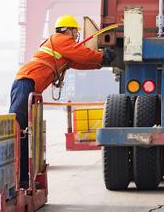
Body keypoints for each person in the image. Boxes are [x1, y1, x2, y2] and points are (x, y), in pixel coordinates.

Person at [9, 14, 115, 188]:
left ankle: (22, 179)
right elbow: (82, 54)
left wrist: (100, 63)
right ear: (68, 30)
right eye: (75, 31)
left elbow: (79, 62)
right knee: (19, 132)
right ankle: (17, 179)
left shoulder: (61, 47)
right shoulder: (61, 41)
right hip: (25, 85)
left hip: (26, 85)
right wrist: (102, 56)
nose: (76, 35)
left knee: (24, 134)